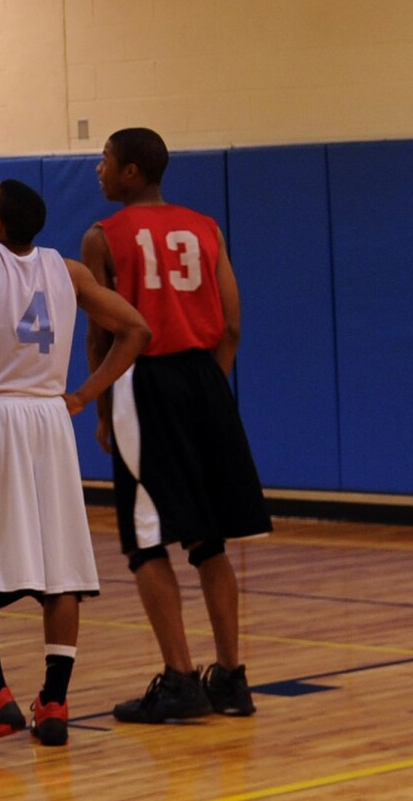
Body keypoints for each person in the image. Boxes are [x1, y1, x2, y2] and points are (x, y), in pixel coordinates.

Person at [0, 180, 151, 752]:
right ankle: (55, 703)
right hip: (49, 419)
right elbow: (136, 330)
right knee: (59, 568)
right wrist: (83, 395)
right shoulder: (68, 271)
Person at [82, 127, 272, 724]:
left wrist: (108, 405)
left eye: (106, 160)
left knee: (146, 541)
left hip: (146, 380)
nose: (98, 169)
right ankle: (232, 678)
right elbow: (234, 324)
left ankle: (180, 679)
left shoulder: (102, 237)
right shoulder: (206, 228)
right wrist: (209, 387)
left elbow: (101, 332)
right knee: (208, 538)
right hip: (207, 380)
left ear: (131, 172)